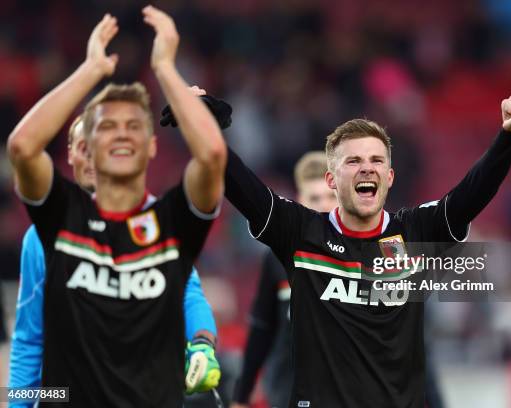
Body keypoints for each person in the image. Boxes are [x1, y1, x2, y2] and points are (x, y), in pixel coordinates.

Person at [220, 94, 511, 406]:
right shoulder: (301, 233)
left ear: (390, 177)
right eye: (353, 161)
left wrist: (508, 137)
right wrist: (206, 126)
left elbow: (473, 192)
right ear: (331, 179)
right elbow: (245, 188)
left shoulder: (415, 231)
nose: (367, 169)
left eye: (377, 161)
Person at [6, 6, 226, 407]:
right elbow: (29, 340)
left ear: (152, 146)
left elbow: (212, 156)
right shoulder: (52, 226)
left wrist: (164, 68)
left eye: (132, 126)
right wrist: (90, 70)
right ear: (76, 154)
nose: (119, 135)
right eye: (105, 127)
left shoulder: (169, 221)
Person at [8, 116, 220, 408]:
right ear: (69, 154)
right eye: (85, 147)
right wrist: (19, 403)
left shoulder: (157, 222)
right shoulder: (42, 235)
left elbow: (188, 295)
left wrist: (202, 345)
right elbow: (29, 339)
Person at [231, 151, 336, 408]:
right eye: (315, 198)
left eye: (331, 197)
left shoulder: (365, 258)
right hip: (287, 392)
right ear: (300, 200)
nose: (323, 205)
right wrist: (240, 396)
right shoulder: (277, 258)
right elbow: (262, 327)